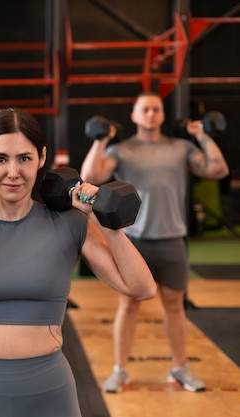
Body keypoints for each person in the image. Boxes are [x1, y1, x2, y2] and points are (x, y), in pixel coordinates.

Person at [0, 107, 157, 417]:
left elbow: (142, 288)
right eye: (1, 159)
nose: (13, 172)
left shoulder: (70, 224)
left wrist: (100, 217)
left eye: (24, 158)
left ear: (41, 158)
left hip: (49, 391)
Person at [80, 91, 230, 393]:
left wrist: (201, 135)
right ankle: (120, 369)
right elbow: (90, 176)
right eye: (144, 110)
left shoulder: (181, 148)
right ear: (134, 116)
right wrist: (101, 139)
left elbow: (218, 169)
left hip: (172, 240)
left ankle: (179, 368)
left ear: (162, 115)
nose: (150, 114)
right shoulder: (121, 150)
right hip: (134, 243)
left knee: (175, 307)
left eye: (155, 110)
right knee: (128, 305)